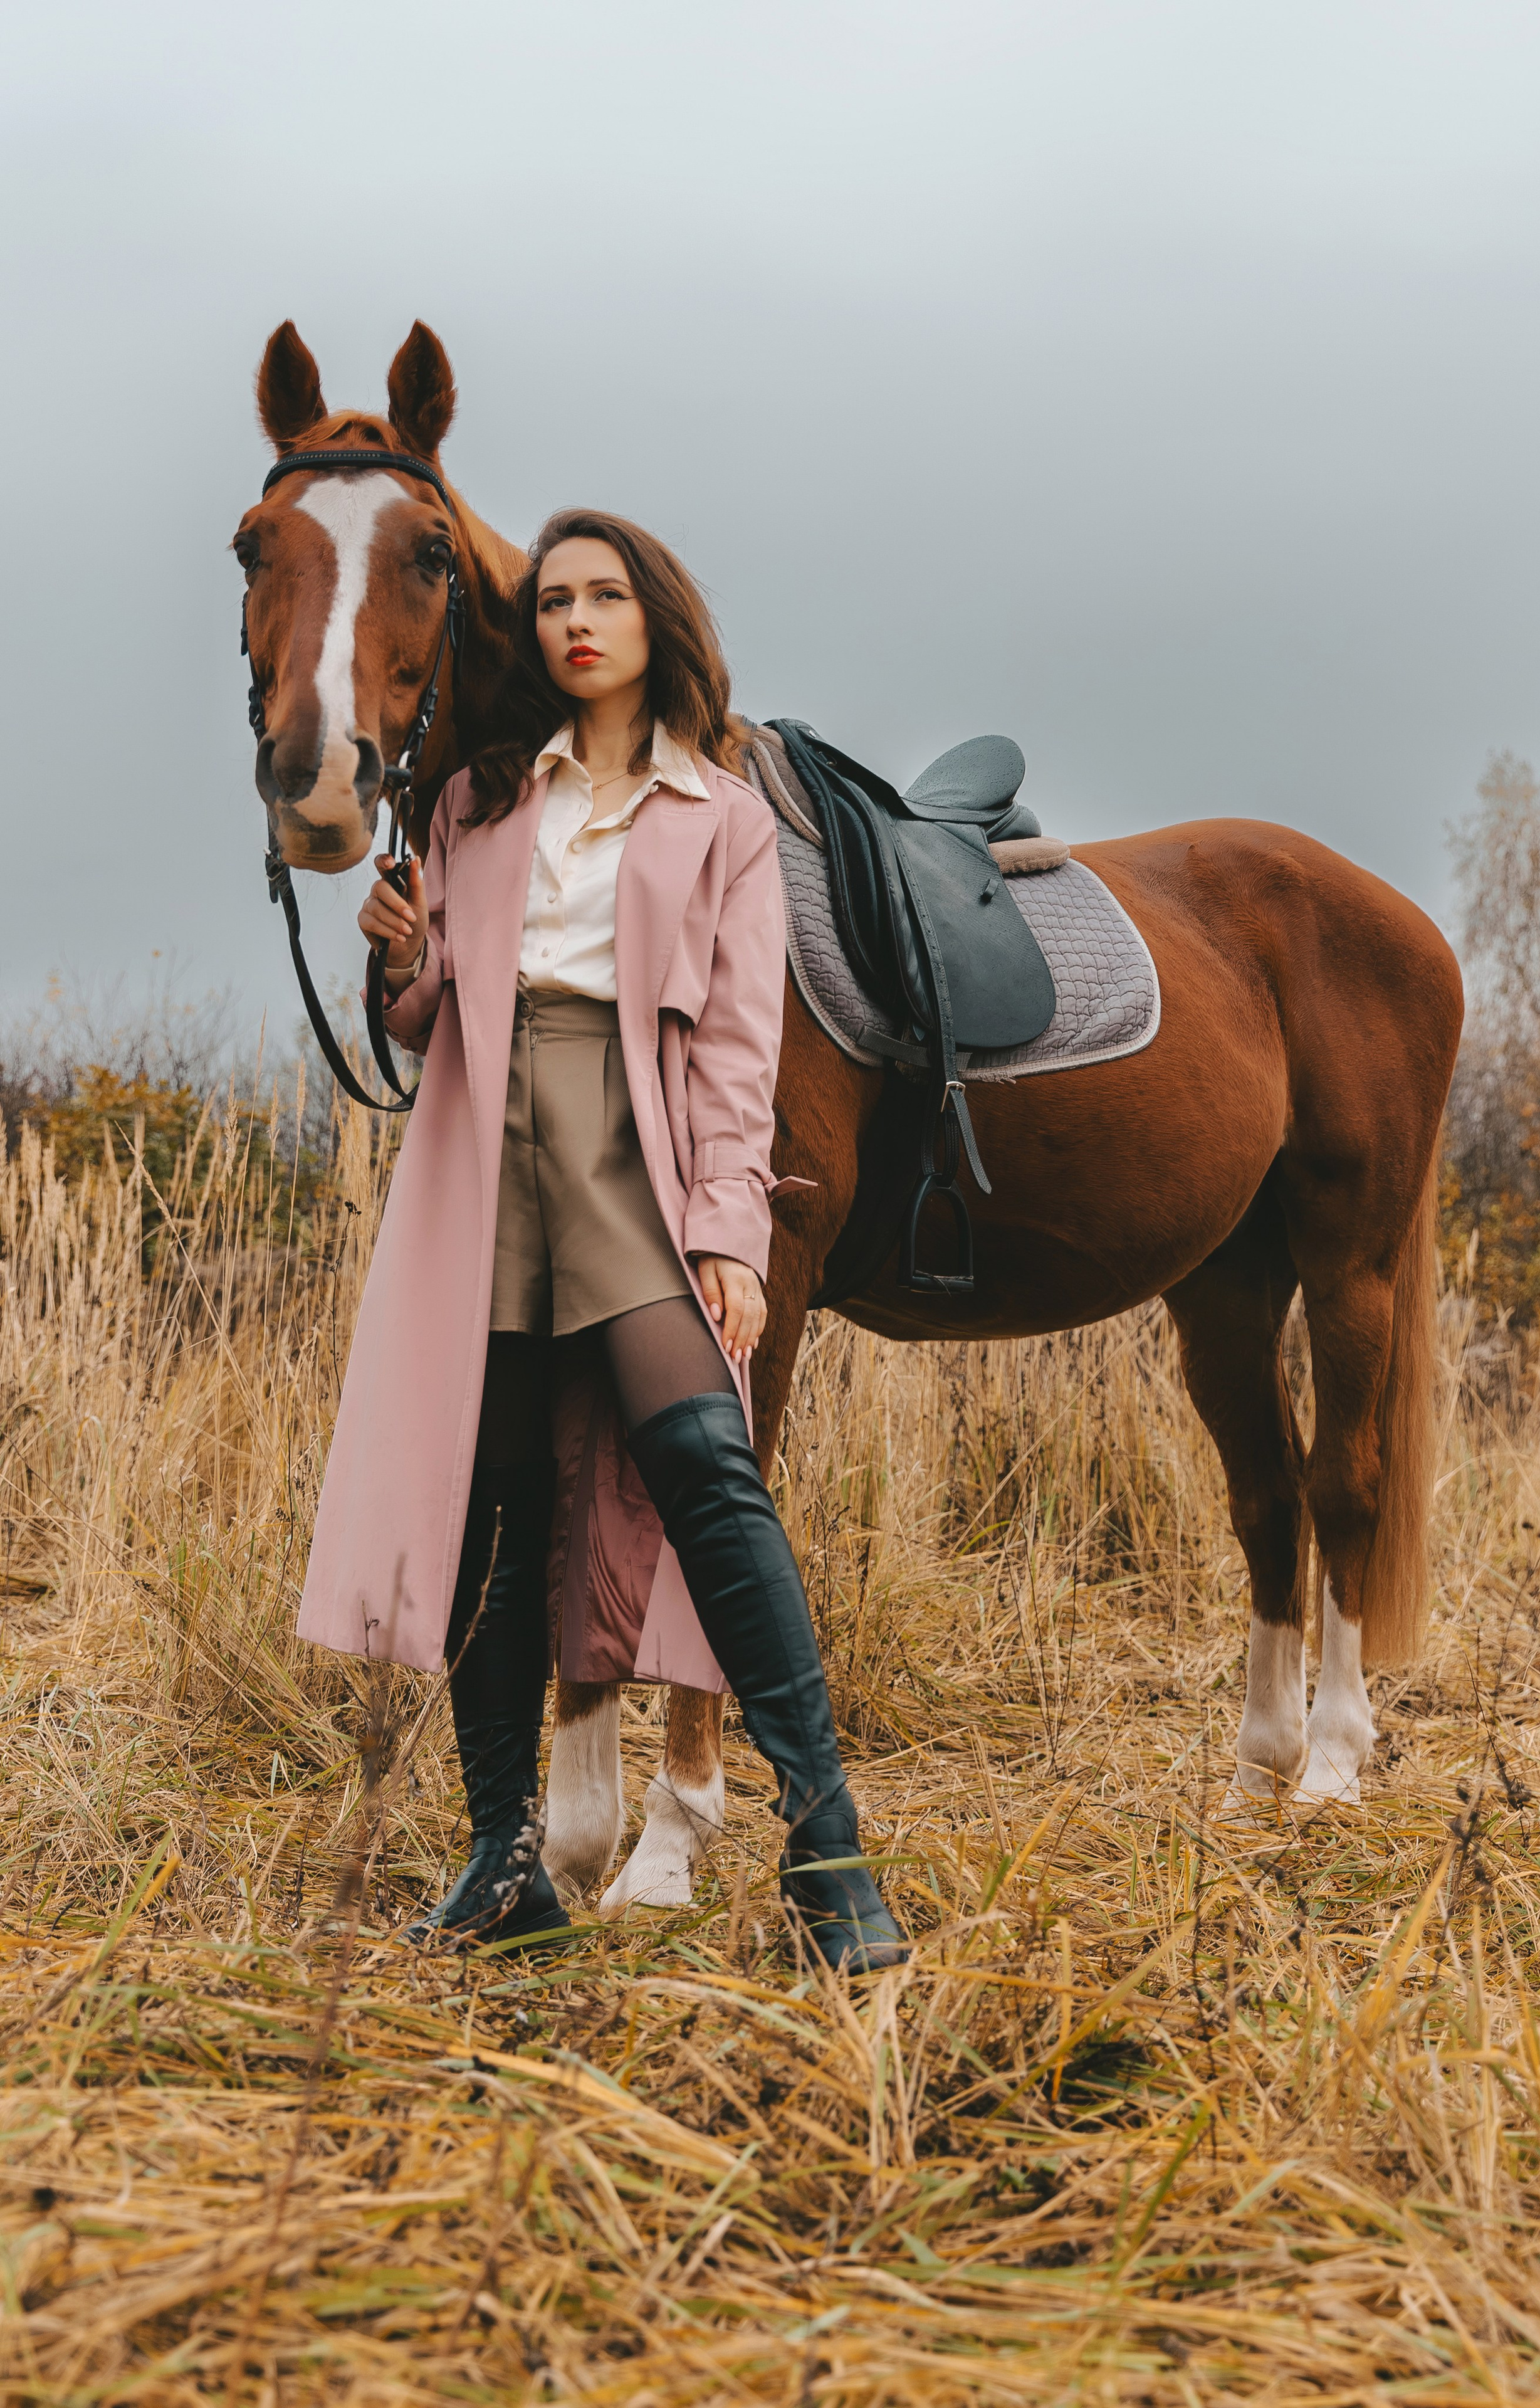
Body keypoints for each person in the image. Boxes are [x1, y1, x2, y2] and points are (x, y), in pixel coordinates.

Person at [297, 506, 905, 1974]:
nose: (575, 620)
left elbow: (742, 1050)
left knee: (706, 1462)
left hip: (634, 1153)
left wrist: (730, 1233)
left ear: (657, 623)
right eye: (556, 598)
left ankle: (827, 1846)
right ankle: (501, 1849)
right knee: (489, 1499)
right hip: (483, 1156)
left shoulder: (725, 817)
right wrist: (402, 958)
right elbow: (433, 1014)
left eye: (606, 597)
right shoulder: (477, 805)